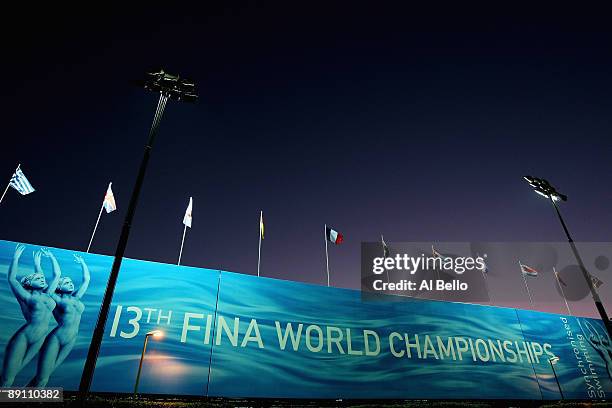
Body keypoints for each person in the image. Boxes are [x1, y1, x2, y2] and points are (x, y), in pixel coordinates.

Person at [0, 245, 61, 387]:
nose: (41, 279)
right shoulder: (26, 296)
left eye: (42, 278)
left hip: (40, 337)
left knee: (15, 373)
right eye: (37, 278)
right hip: (25, 337)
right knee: (7, 378)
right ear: (28, 283)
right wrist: (15, 258)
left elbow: (57, 275)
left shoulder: (47, 295)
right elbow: (12, 279)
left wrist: (44, 261)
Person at [28, 254, 90, 387]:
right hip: (56, 339)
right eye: (66, 282)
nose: (71, 284)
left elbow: (86, 280)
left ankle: (21, 397)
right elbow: (55, 276)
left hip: (71, 338)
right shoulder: (56, 298)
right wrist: (40, 263)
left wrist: (82, 263)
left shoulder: (76, 298)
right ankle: (22, 401)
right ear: (59, 287)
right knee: (42, 378)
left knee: (46, 376)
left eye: (71, 282)